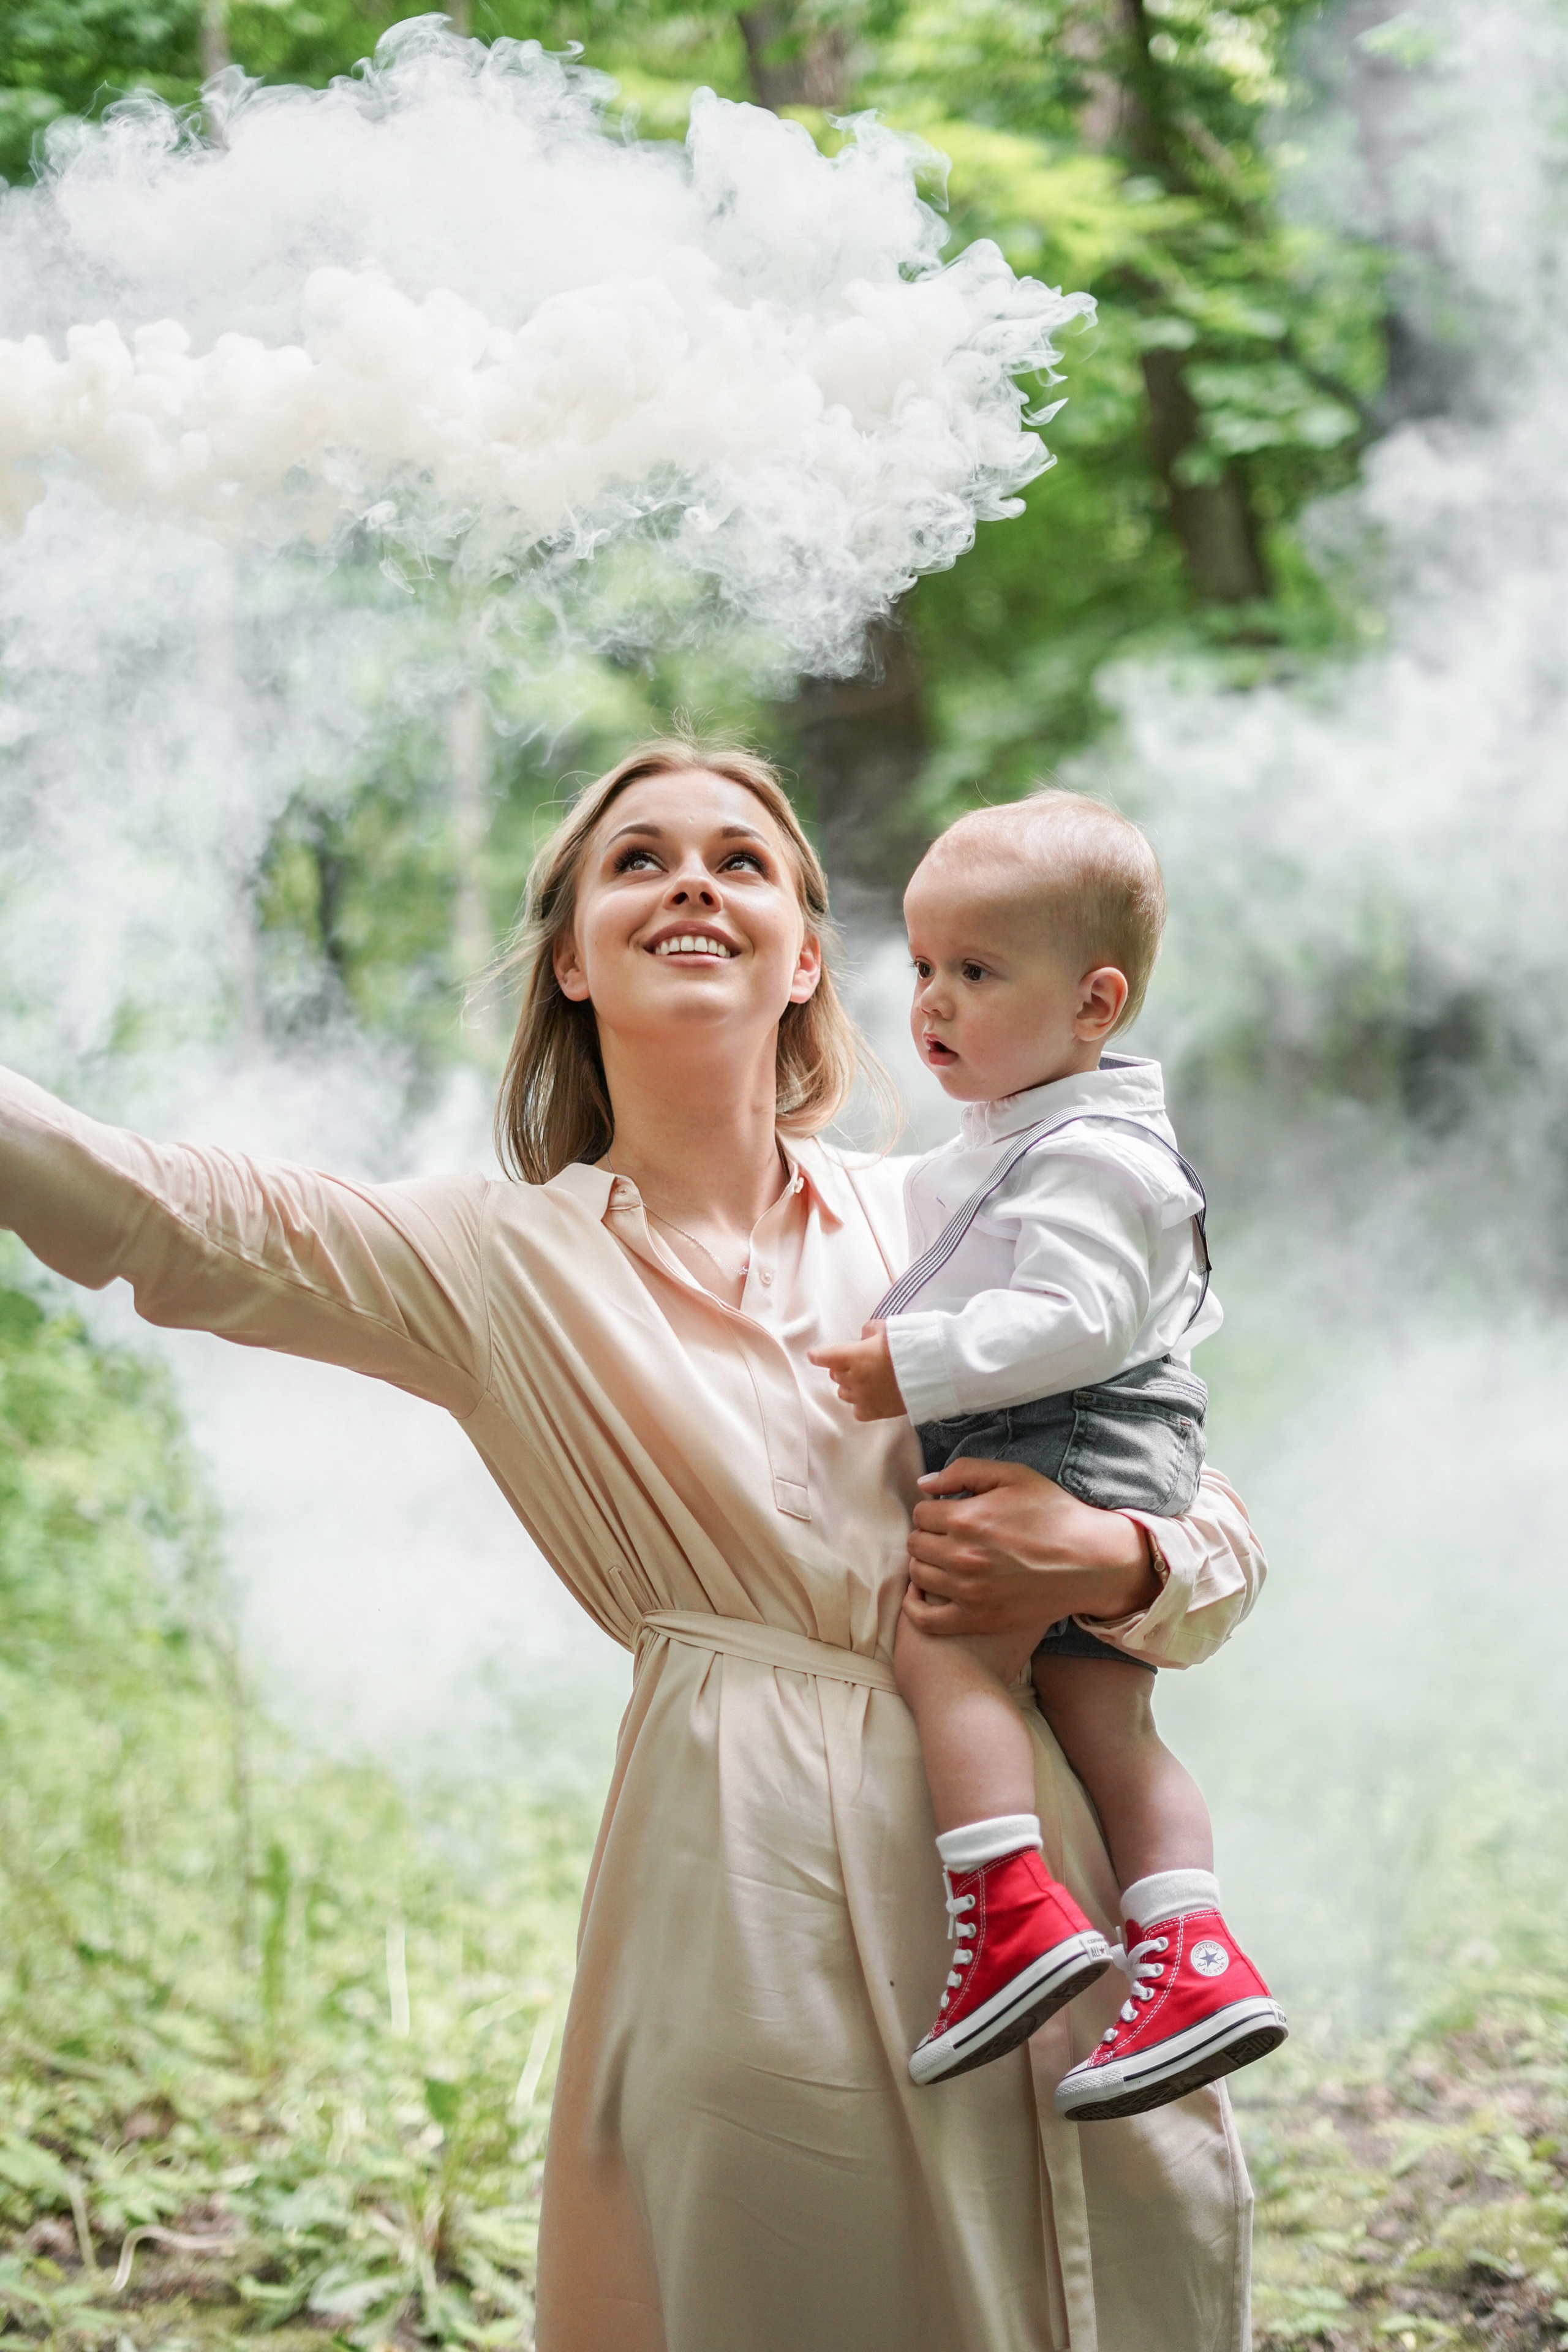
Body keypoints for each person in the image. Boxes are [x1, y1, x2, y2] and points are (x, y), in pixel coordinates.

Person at [0, 738, 1267, 2352]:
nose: (691, 882)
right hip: (745, 1884)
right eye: (637, 860)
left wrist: (1105, 1564)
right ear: (574, 961)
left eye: (742, 861)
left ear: (807, 955)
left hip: (1047, 1879)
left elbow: (1206, 1511)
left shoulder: (954, 1214)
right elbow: (162, 1215)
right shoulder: (495, 1259)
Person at [810, 796, 1286, 2118]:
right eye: (918, 968)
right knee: (1101, 1713)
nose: (931, 1002)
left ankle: (1007, 1906)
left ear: (1094, 1003)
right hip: (1106, 1439)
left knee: (945, 1644)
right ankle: (1191, 1952)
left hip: (1067, 1434)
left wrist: (911, 1366)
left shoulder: (1083, 1151)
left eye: (974, 970)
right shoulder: (1034, 1136)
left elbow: (1078, 1319)